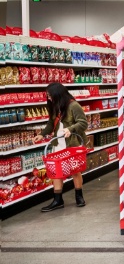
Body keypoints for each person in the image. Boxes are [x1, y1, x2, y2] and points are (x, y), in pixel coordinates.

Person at [34, 82, 88, 212]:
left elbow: (83, 123)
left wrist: (71, 128)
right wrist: (42, 134)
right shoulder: (54, 106)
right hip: (58, 144)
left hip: (72, 144)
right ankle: (58, 200)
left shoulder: (73, 106)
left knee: (75, 170)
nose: (49, 98)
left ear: (58, 94)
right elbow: (51, 123)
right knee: (56, 172)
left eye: (50, 95)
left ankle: (79, 196)